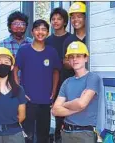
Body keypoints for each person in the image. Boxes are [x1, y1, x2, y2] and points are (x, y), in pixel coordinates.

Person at [14, 19, 61, 143]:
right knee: (27, 136)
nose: (40, 32)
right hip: (27, 100)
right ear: (32, 32)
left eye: (44, 29)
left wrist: (54, 91)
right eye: (37, 29)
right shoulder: (24, 50)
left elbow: (56, 71)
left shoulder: (51, 52)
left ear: (47, 32)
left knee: (43, 136)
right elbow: (15, 69)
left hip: (45, 101)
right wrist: (19, 90)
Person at [52, 41, 101, 143]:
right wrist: (76, 107)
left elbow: (81, 103)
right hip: (66, 132)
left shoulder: (92, 78)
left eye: (78, 56)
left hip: (85, 134)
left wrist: (65, 105)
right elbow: (55, 111)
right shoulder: (67, 82)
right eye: (71, 56)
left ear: (86, 58)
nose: (74, 59)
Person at [45, 7, 71, 143]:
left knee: (64, 113)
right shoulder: (47, 40)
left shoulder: (71, 39)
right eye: (53, 19)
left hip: (67, 80)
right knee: (50, 115)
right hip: (50, 82)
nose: (55, 21)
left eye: (59, 19)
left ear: (65, 21)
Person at [62, 2, 87, 82]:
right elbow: (65, 62)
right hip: (74, 81)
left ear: (86, 18)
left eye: (79, 16)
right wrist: (77, 63)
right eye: (73, 17)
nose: (75, 20)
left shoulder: (92, 38)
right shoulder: (68, 40)